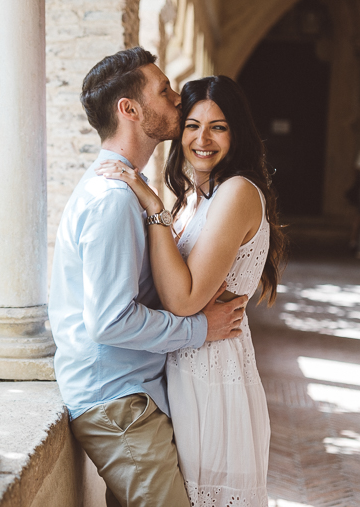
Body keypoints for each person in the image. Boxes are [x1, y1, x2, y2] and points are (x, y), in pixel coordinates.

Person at [48, 48, 249, 507]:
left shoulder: (126, 189)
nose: (178, 98)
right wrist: (201, 328)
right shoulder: (113, 200)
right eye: (164, 90)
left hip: (131, 398)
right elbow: (109, 321)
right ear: (130, 110)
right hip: (117, 405)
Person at [97, 75, 286, 506]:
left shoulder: (236, 192)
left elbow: (182, 299)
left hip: (215, 377)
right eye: (192, 125)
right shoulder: (198, 198)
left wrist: (152, 205)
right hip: (185, 368)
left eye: (218, 126)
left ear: (236, 133)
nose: (203, 139)